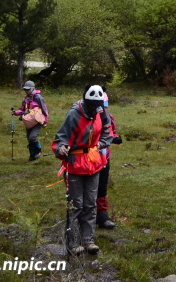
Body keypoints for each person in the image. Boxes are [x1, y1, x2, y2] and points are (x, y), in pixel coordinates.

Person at [52, 84, 112, 256]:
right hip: (75, 164)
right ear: (86, 102)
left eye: (97, 105)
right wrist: (62, 148)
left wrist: (102, 143)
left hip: (93, 163)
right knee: (76, 203)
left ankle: (88, 241)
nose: (95, 108)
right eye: (92, 105)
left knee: (90, 203)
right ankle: (73, 242)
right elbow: (60, 138)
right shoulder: (74, 114)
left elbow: (108, 130)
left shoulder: (101, 111)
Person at [96, 91, 123, 230]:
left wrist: (115, 138)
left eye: (105, 107)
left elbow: (111, 131)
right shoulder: (85, 117)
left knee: (102, 186)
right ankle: (83, 215)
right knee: (86, 188)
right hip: (87, 159)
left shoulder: (109, 117)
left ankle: (102, 215)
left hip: (104, 158)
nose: (103, 109)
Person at [11, 81, 49, 161]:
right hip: (28, 121)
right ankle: (32, 156)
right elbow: (22, 110)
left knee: (32, 138)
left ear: (33, 88)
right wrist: (15, 113)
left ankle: (38, 150)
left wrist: (45, 121)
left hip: (37, 121)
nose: (26, 91)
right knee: (29, 138)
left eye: (28, 89)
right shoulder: (25, 99)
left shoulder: (38, 97)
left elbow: (44, 109)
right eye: (25, 89)